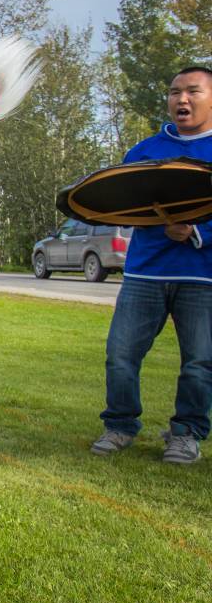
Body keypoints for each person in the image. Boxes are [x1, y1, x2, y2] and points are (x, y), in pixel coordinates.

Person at [90, 66, 212, 464]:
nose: (182, 99)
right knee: (121, 354)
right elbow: (124, 206)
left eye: (193, 91)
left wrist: (197, 232)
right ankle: (120, 426)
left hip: (202, 277)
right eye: (175, 92)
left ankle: (186, 434)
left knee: (199, 362)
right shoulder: (144, 153)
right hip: (145, 273)